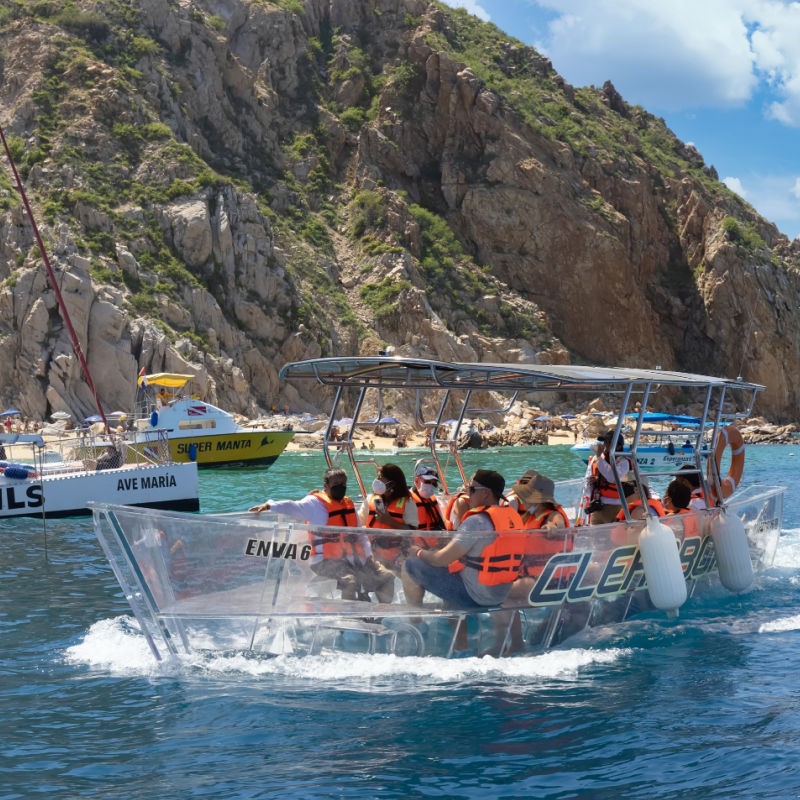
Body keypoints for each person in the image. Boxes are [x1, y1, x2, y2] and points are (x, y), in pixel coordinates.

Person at [249, 467, 395, 603]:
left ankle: (382, 615)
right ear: (326, 485)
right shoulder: (314, 504)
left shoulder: (348, 504)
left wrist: (369, 556)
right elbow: (292, 506)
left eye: (343, 483)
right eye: (336, 483)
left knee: (387, 576)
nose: (341, 486)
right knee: (350, 581)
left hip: (353, 558)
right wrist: (270, 505)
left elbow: (360, 535)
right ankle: (349, 620)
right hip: (323, 561)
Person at [403, 469, 525, 613]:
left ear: (486, 493)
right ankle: (460, 629)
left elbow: (440, 560)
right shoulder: (514, 520)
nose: (468, 494)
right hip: (501, 595)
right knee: (453, 569)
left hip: (474, 597)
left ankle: (415, 621)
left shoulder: (476, 522)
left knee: (410, 564)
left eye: (472, 490)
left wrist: (418, 552)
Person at [359, 463, 420, 573]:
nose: (377, 480)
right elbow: (358, 521)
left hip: (397, 555)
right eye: (377, 477)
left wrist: (390, 521)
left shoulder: (408, 503)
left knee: (391, 576)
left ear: (392, 484)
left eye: (380, 478)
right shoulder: (370, 499)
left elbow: (412, 532)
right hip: (373, 555)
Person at [583, 430, 634, 524]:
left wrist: (599, 457)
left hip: (616, 508)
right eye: (605, 442)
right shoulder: (597, 459)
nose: (605, 445)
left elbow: (612, 477)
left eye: (608, 442)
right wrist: (594, 483)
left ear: (618, 446)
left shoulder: (624, 462)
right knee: (595, 537)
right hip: (597, 507)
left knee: (615, 538)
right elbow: (586, 481)